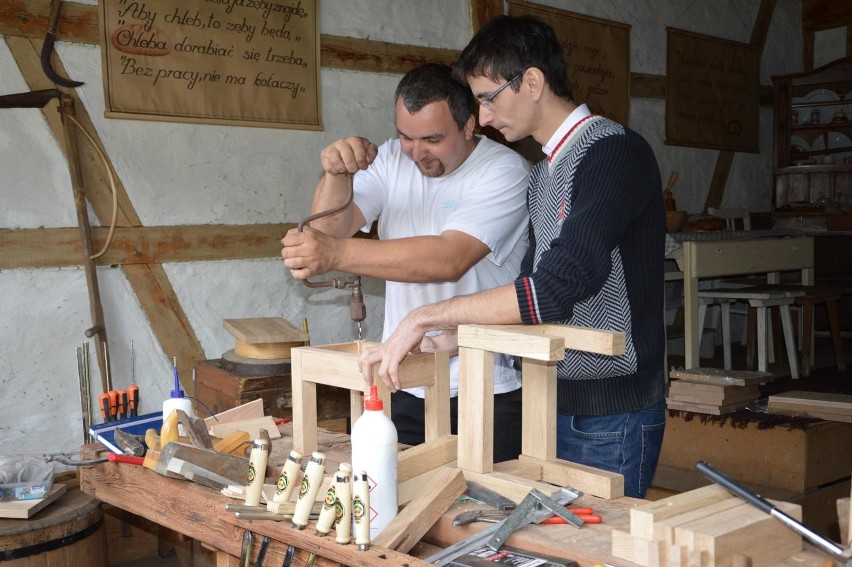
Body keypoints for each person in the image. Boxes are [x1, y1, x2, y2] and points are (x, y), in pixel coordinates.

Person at [357, 16, 666, 498]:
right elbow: (530, 286)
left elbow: (558, 287)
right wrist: (457, 337)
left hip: (608, 413)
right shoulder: (544, 172)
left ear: (533, 82)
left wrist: (425, 317)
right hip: (548, 404)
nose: (481, 118)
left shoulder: (613, 152)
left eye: (487, 98)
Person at [281, 63, 530, 462]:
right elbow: (330, 229)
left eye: (432, 139)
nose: (416, 152)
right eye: (405, 136)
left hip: (484, 389)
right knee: (390, 506)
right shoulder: (393, 158)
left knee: (476, 516)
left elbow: (450, 257)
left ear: (469, 126)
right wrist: (335, 175)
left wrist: (337, 254)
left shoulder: (505, 171)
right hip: (401, 381)